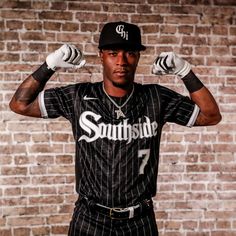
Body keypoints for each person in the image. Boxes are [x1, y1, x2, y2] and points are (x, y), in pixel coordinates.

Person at [9, 21, 221, 236]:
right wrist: (49, 65)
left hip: (140, 220)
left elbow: (211, 116)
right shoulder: (78, 96)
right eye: (113, 53)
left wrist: (185, 72)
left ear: (138, 57)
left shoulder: (156, 96)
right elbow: (20, 104)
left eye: (129, 53)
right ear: (101, 55)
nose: (121, 61)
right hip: (90, 218)